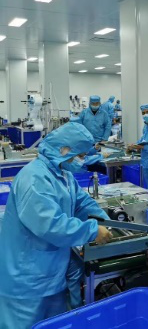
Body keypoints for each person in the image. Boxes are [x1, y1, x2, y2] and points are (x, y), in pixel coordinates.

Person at [0, 123, 112, 328]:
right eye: (80, 155)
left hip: (51, 273)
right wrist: (92, 231)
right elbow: (50, 224)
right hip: (26, 279)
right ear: (64, 150)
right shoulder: (34, 178)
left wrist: (104, 220)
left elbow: (81, 202)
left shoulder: (63, 174)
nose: (82, 160)